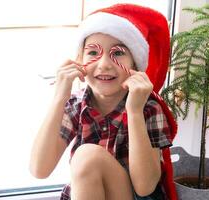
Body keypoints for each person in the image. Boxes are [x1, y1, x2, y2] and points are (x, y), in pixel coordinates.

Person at [29, 3, 178, 200]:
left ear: (135, 64)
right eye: (93, 52)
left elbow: (145, 187)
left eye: (118, 53)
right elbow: (39, 169)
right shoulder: (75, 105)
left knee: (87, 156)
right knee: (86, 158)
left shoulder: (147, 107)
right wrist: (59, 98)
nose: (105, 64)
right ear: (79, 60)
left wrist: (134, 112)